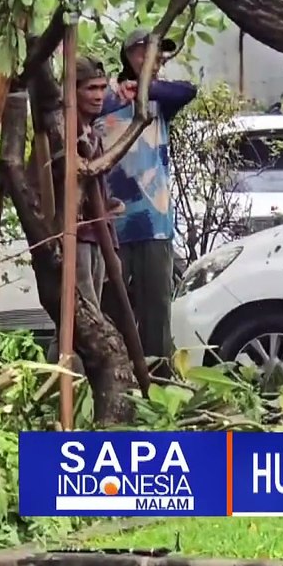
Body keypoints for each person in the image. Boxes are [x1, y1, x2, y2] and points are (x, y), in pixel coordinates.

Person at [98, 28, 197, 367]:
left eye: (157, 56)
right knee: (108, 308)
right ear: (128, 55)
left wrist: (144, 89)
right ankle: (112, 377)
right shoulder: (103, 94)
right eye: (144, 53)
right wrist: (121, 93)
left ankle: (158, 381)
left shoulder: (157, 99)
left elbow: (188, 91)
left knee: (157, 313)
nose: (152, 62)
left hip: (155, 223)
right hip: (110, 223)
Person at [46, 57, 122, 364]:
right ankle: (68, 387)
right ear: (73, 91)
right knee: (84, 319)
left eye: (103, 88)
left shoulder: (90, 131)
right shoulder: (65, 131)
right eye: (91, 88)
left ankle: (63, 387)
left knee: (81, 319)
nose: (98, 95)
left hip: (94, 234)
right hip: (74, 234)